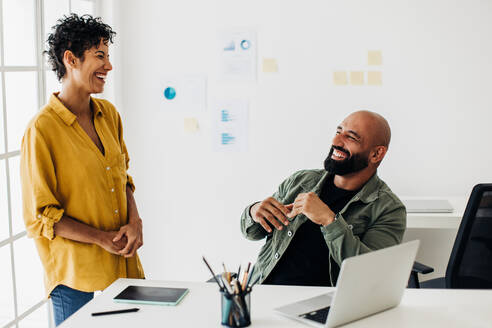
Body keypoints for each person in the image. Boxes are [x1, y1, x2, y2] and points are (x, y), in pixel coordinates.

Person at [20, 14, 144, 326]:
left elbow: (123, 177)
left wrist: (135, 220)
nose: (109, 66)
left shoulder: (109, 115)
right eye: (99, 56)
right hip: (74, 277)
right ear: (71, 59)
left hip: (123, 266)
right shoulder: (42, 129)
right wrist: (100, 238)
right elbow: (41, 217)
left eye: (108, 56)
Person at [240, 111, 406, 287]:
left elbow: (369, 274)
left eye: (350, 137)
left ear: (376, 154)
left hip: (324, 306)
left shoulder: (389, 209)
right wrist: (254, 211)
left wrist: (329, 220)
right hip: (264, 290)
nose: (336, 142)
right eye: (338, 132)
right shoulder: (300, 181)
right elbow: (252, 232)